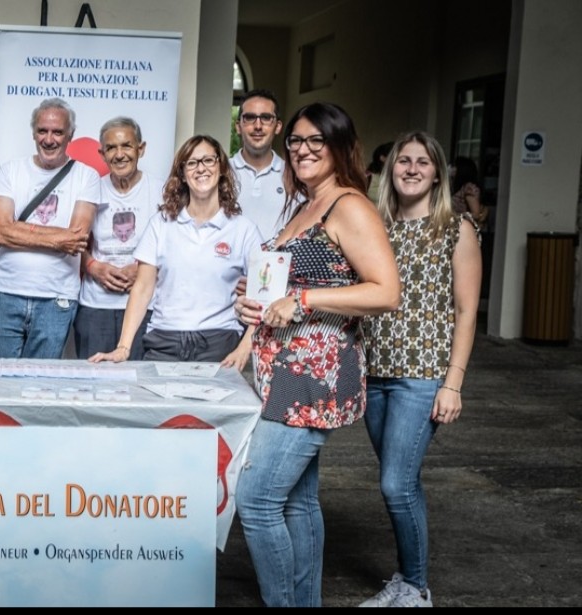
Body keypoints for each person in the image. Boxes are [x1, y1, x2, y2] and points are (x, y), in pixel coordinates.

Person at [232, 102, 401, 607]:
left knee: (257, 500)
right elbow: (301, 278)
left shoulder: (348, 206)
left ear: (339, 146)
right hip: (283, 370)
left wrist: (302, 300)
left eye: (315, 141)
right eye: (296, 141)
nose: (302, 150)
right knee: (299, 501)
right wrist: (255, 298)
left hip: (312, 374)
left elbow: (385, 291)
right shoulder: (306, 203)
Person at [359, 132, 482, 608]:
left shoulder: (456, 228)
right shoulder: (376, 226)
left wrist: (454, 382)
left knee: (395, 484)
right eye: (403, 161)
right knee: (402, 481)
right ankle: (407, 581)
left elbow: (466, 311)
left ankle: (415, 588)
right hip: (375, 373)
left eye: (422, 162)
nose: (411, 169)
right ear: (390, 168)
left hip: (422, 375)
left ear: (437, 174)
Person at [88, 135, 261, 365]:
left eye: (208, 160)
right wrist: (123, 347)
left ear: (221, 168)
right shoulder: (161, 224)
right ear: (182, 174)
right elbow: (142, 288)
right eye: (192, 163)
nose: (201, 168)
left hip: (219, 341)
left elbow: (265, 294)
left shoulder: (243, 230)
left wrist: (244, 348)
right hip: (164, 340)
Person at [0, 97, 100, 359]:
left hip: (56, 299)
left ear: (70, 135)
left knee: (40, 380)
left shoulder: (86, 176)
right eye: (42, 131)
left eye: (57, 132)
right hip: (4, 293)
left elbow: (77, 238)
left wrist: (18, 229)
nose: (49, 139)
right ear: (33, 133)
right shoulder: (10, 170)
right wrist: (58, 239)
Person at [73, 116, 163, 360]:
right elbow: (73, 242)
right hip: (95, 306)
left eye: (127, 146)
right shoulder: (90, 189)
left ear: (141, 149)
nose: (119, 154)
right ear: (102, 154)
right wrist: (93, 266)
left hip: (147, 306)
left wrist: (145, 270)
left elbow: (174, 247)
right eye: (111, 148)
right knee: (93, 379)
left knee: (140, 380)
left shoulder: (162, 191)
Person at [230, 89, 288, 241]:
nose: (258, 126)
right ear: (238, 126)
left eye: (266, 118)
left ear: (278, 126)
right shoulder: (221, 172)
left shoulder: (293, 175)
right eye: (249, 118)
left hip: (277, 257)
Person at [449, 155, 487, 226]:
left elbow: (476, 214)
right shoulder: (459, 187)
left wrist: (456, 216)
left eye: (455, 166)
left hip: (463, 227)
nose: (452, 169)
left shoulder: (469, 188)